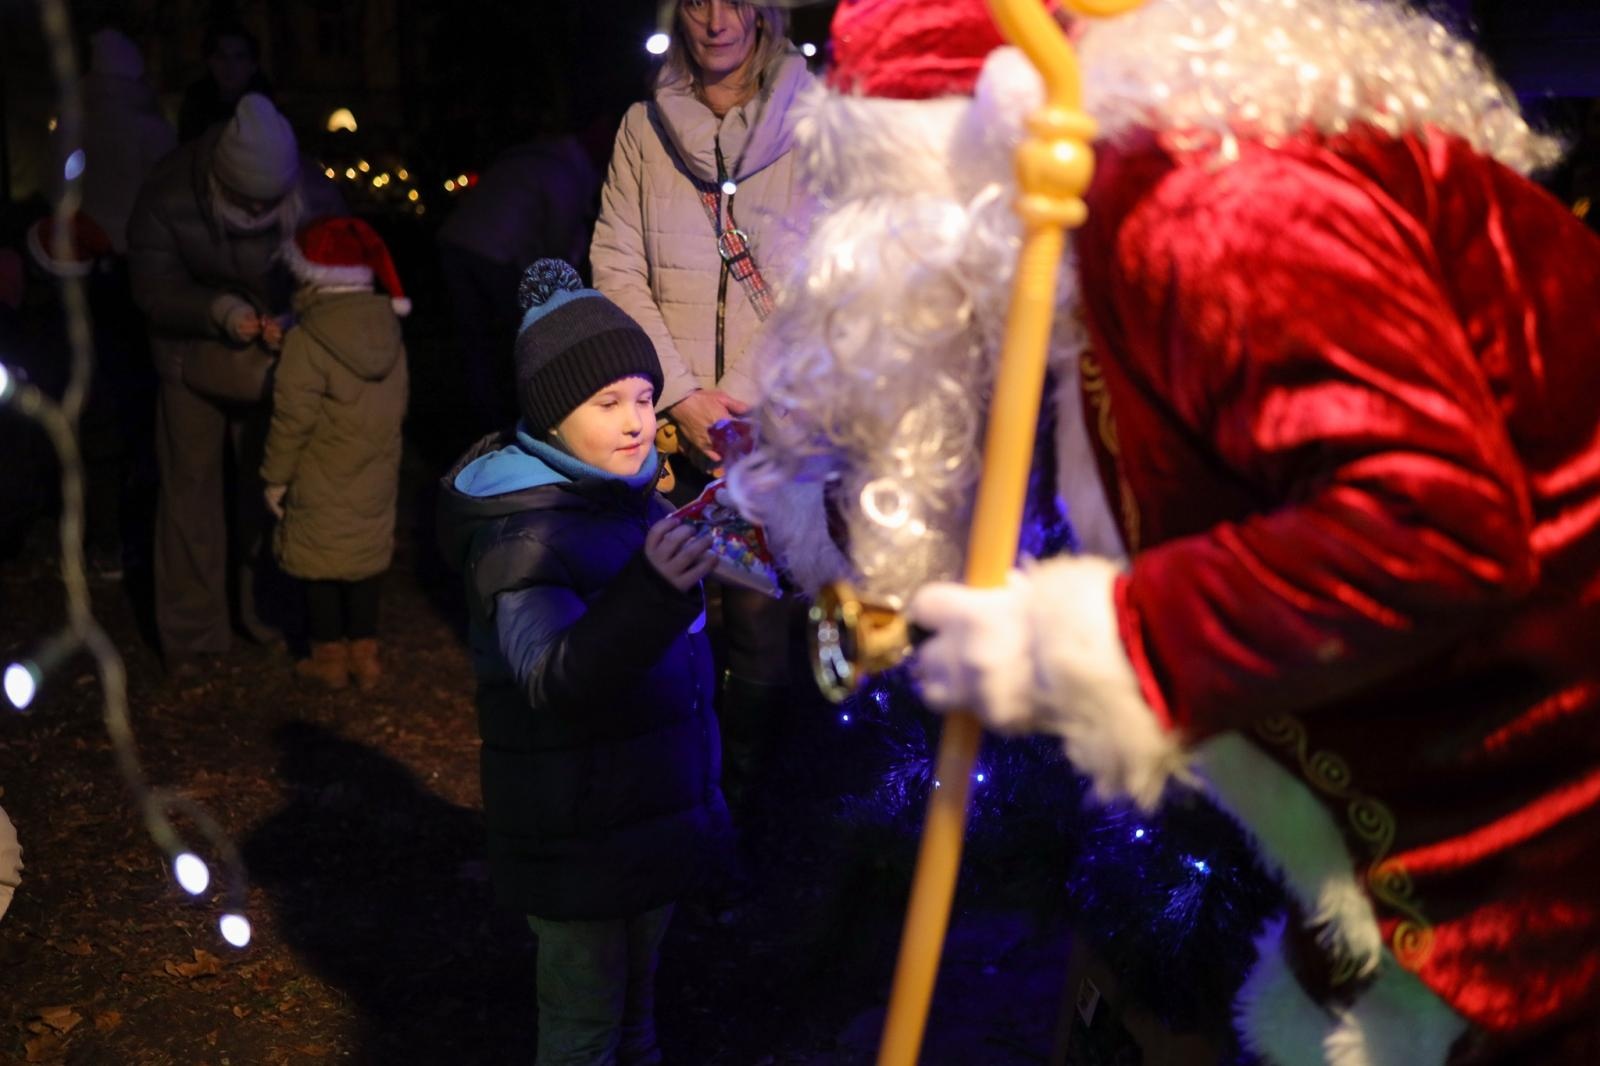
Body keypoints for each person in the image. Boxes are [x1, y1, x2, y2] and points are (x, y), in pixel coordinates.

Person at [727, 1, 1600, 1063]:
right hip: (1471, 844)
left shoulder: (1208, 203)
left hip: (1548, 875)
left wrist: (1093, 643)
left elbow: (1434, 525)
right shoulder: (1143, 211)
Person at [437, 259, 730, 1065]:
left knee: (637, 1014)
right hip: (578, 843)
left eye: (643, 396)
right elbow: (551, 679)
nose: (638, 420)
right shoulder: (522, 534)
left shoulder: (638, 503)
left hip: (647, 824)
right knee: (583, 1032)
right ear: (551, 416)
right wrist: (655, 591)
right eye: (607, 403)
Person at [590, 0, 815, 810]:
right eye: (696, 1)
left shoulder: (814, 124)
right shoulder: (643, 126)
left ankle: (752, 802)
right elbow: (616, 263)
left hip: (768, 429)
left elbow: (828, 270)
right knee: (661, 608)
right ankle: (673, 792)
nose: (715, 19)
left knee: (759, 619)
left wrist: (743, 405)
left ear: (765, 11)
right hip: (667, 430)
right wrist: (683, 395)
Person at [127, 93, 342, 676]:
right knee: (189, 491)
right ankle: (192, 634)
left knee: (268, 483)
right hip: (187, 352)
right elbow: (152, 285)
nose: (256, 211)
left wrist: (298, 318)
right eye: (247, 200)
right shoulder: (169, 190)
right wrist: (217, 311)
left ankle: (264, 612)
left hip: (273, 357)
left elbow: (338, 274)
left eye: (268, 202)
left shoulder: (314, 192)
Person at [261, 217, 410, 691]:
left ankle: (328, 658)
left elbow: (292, 418)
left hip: (320, 469)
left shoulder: (308, 342)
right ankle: (365, 657)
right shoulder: (389, 331)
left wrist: (275, 476)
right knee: (363, 559)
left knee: (319, 563)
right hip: (375, 465)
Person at [438, 127, 600, 436]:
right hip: (493, 254)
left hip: (461, 240)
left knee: (478, 341)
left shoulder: (536, 157)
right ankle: (512, 418)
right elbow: (559, 241)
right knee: (518, 337)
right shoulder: (562, 172)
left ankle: (489, 416)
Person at [177, 22, 274, 144]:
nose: (229, 66)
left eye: (239, 57)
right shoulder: (196, 101)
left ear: (253, 66)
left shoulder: (265, 104)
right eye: (221, 57)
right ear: (210, 63)